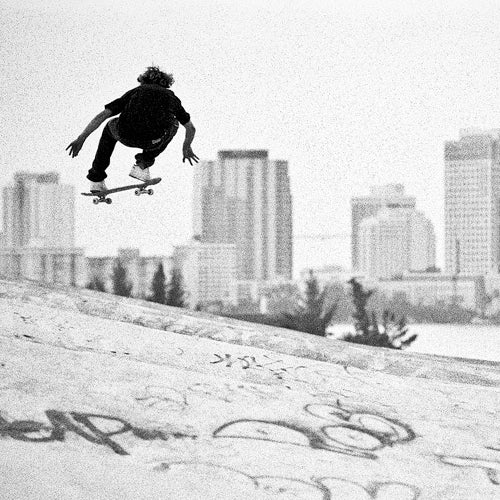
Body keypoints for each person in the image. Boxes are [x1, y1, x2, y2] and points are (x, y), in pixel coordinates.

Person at [66, 66, 199, 192]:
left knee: (109, 126)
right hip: (152, 141)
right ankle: (142, 165)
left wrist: (81, 138)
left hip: (124, 134)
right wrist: (186, 147)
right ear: (166, 84)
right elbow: (190, 128)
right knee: (174, 124)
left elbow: (102, 115)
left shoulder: (135, 92)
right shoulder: (171, 98)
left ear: (143, 81)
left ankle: (97, 179)